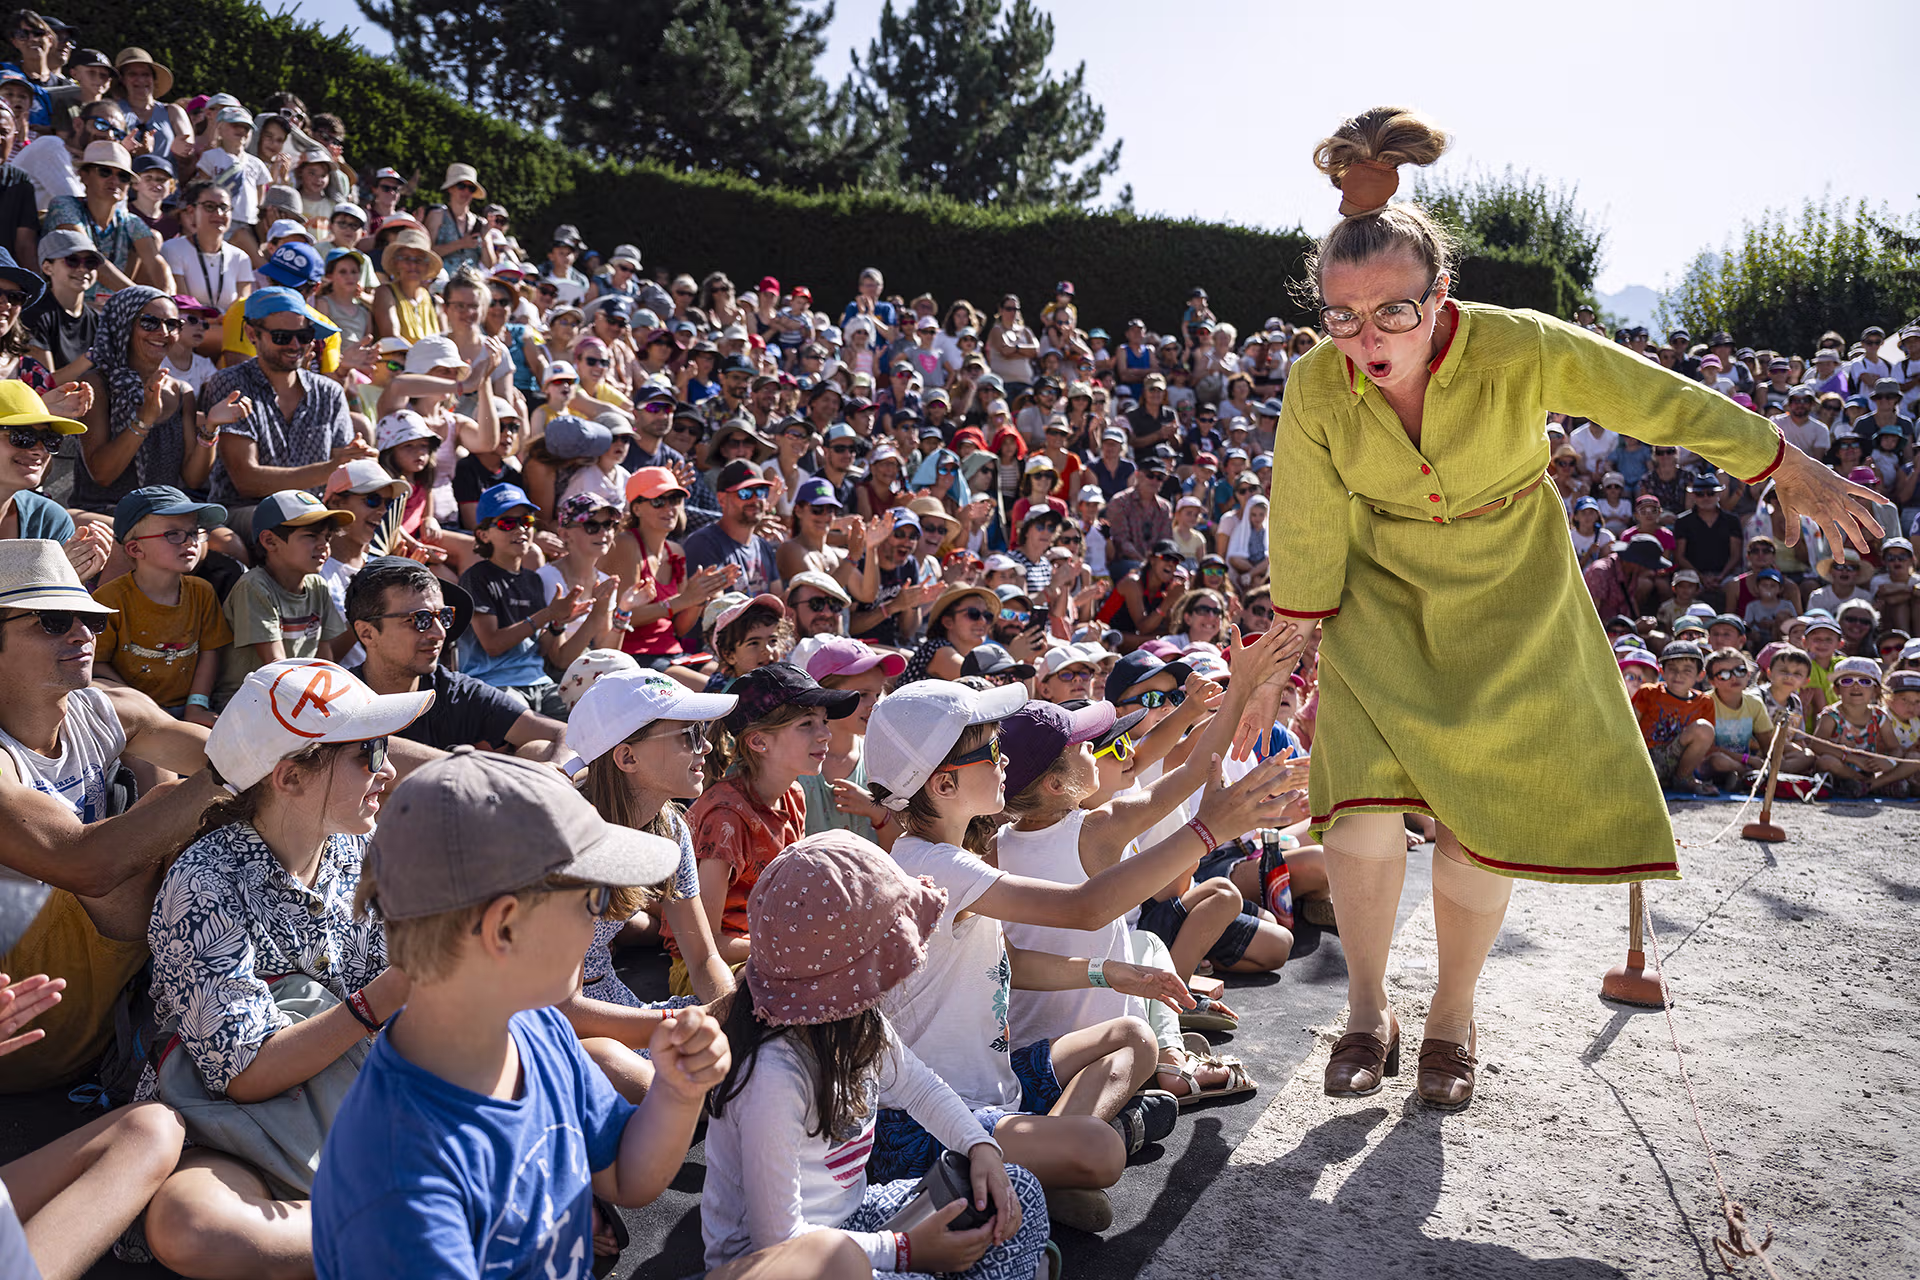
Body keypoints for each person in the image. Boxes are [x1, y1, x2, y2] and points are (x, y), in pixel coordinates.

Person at [1266, 106, 1877, 1114]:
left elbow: (1660, 399)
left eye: (1391, 313)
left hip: (1513, 592)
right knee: (1363, 815)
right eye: (1341, 316)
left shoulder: (1520, 346)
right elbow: (1301, 524)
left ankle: (1452, 1017)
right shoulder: (1313, 386)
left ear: (1441, 293)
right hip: (1376, 600)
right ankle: (1368, 1008)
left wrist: (1783, 462)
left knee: (1477, 823)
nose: (1364, 337)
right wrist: (1287, 667)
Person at [312, 750, 832, 1278]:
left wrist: (677, 1091)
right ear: (504, 930)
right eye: (592, 903)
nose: (597, 928)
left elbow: (627, 1175)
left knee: (832, 1262)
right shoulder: (401, 1173)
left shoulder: (536, 1031)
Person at [858, 672, 1291, 1232]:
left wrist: (1106, 972)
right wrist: (1210, 831)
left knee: (1135, 1035)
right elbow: (1085, 907)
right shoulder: (933, 863)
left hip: (995, 1087)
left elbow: (1007, 961)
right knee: (1102, 1154)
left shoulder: (964, 847)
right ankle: (1048, 1172)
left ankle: (1041, 1174)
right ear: (941, 786)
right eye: (991, 748)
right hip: (933, 1118)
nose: (1005, 759)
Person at [138, 658, 428, 1277]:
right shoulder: (205, 879)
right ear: (290, 778)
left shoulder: (355, 845)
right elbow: (244, 1075)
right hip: (232, 1125)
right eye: (367, 754)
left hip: (343, 1095)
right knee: (195, 1225)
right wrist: (387, 995)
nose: (388, 771)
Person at [702, 831, 1051, 1280]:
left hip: (852, 1224)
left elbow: (921, 1088)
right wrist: (906, 1251)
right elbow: (781, 1242)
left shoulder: (857, 1025)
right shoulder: (773, 1076)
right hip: (775, 1264)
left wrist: (980, 1145)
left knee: (1019, 1187)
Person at [0, 539, 222, 1093]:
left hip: (85, 989)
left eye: (90, 619)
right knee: (155, 821)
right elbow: (85, 864)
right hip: (19, 1025)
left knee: (199, 803)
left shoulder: (106, 707)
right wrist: (240, 770)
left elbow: (230, 752)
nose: (83, 634)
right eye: (53, 621)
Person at [563, 668, 738, 1100]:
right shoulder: (567, 843)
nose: (708, 746)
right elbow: (560, 1007)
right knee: (651, 1085)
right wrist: (693, 1023)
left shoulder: (670, 829)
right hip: (539, 1019)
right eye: (688, 736)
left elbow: (702, 958)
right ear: (626, 758)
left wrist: (729, 1018)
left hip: (607, 1003)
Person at [674, 663, 856, 997]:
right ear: (759, 741)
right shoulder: (727, 818)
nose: (825, 734)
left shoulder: (793, 794)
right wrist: (797, 947)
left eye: (824, 721)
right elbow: (705, 942)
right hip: (711, 968)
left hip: (767, 946)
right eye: (806, 724)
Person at [345, 556, 566, 758]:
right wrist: (463, 768)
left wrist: (556, 773)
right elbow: (369, 755)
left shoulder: (456, 692)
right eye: (419, 619)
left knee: (539, 751)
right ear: (368, 633)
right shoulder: (337, 698)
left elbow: (565, 735)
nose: (440, 632)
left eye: (444, 616)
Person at [205, 289, 371, 512]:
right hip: (247, 511)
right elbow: (247, 482)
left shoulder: (330, 392)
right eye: (282, 337)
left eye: (303, 336)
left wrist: (361, 462)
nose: (295, 345)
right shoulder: (231, 383)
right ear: (252, 334)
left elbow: (344, 470)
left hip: (315, 516)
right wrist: (333, 467)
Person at [75, 288, 235, 515]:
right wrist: (144, 420)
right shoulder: (95, 385)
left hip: (165, 512)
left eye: (172, 324)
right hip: (104, 512)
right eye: (149, 322)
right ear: (123, 324)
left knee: (226, 543)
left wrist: (210, 429)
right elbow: (102, 475)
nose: (164, 332)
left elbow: (193, 479)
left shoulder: (182, 392)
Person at [91, 486, 232, 725]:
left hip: (186, 708)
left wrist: (197, 706)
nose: (191, 542)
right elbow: (98, 664)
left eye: (194, 533)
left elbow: (209, 651)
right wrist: (141, 706)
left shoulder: (202, 592)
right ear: (136, 549)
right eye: (174, 534)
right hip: (131, 714)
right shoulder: (109, 599)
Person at [457, 483, 585, 715]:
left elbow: (540, 649)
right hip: (493, 683)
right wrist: (548, 614)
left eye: (526, 521)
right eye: (508, 524)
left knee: (585, 719)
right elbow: (493, 645)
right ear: (483, 534)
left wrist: (558, 624)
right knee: (524, 721)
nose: (521, 530)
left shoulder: (532, 580)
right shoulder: (476, 577)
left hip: (539, 682)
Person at [683, 460, 779, 597]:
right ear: (722, 499)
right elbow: (715, 611)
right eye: (744, 493)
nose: (754, 499)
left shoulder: (763, 545)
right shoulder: (704, 544)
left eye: (760, 491)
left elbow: (778, 597)